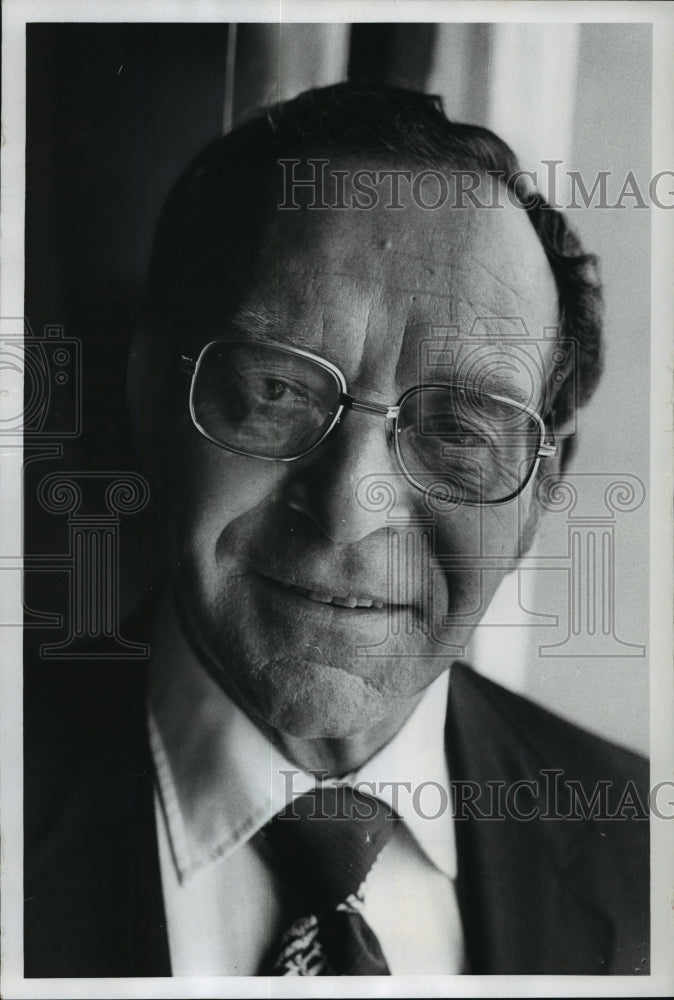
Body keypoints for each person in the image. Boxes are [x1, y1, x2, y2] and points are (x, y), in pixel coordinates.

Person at [24, 83, 649, 978]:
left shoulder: (638, 852)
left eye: (459, 430)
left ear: (541, 487)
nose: (352, 503)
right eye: (277, 389)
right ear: (151, 390)